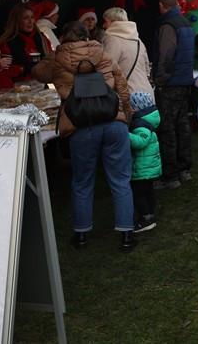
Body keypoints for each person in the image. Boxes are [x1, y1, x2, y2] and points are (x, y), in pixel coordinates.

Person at [33, 21, 136, 252]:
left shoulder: (58, 60)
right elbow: (122, 85)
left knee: (82, 182)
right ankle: (127, 235)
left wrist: (51, 53)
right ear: (87, 36)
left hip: (81, 126)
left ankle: (80, 236)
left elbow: (38, 72)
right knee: (120, 180)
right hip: (113, 121)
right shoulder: (103, 55)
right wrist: (127, 114)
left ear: (63, 37)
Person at [152, 0, 195, 190]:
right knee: (183, 126)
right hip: (185, 80)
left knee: (167, 129)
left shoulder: (168, 25)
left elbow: (167, 54)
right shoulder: (185, 23)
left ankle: (170, 176)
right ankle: (185, 168)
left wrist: (159, 79)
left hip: (170, 84)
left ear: (161, 6)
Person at [100, 7, 154, 99]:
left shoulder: (112, 39)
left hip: (128, 95)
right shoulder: (138, 41)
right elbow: (147, 71)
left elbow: (106, 69)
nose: (103, 26)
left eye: (105, 22)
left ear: (114, 22)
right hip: (147, 95)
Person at [127, 91, 162, 234]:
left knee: (138, 193)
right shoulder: (149, 120)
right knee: (148, 192)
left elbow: (140, 142)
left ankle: (145, 219)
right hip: (149, 167)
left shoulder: (140, 124)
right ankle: (150, 214)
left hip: (142, 168)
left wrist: (124, 133)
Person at [0, 3, 48, 82]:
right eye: (26, 18)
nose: (30, 21)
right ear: (17, 21)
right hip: (19, 85)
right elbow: (6, 69)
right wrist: (25, 69)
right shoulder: (7, 42)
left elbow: (50, 59)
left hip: (41, 82)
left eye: (32, 17)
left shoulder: (42, 38)